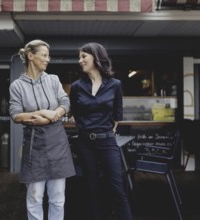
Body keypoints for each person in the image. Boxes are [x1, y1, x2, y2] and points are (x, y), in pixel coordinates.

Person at [9, 39, 75, 220]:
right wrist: (42, 112)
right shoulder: (17, 86)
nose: (48, 59)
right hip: (34, 145)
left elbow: (65, 102)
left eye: (48, 56)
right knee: (35, 196)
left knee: (58, 197)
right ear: (31, 56)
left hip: (57, 143)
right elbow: (16, 115)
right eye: (44, 55)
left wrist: (54, 115)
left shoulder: (53, 80)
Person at [69, 42, 132, 220]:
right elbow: (75, 112)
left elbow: (117, 115)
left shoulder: (115, 84)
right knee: (92, 188)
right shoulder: (76, 87)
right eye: (79, 57)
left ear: (96, 58)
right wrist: (85, 128)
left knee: (116, 188)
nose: (80, 61)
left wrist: (105, 131)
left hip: (107, 141)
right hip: (85, 143)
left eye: (83, 57)